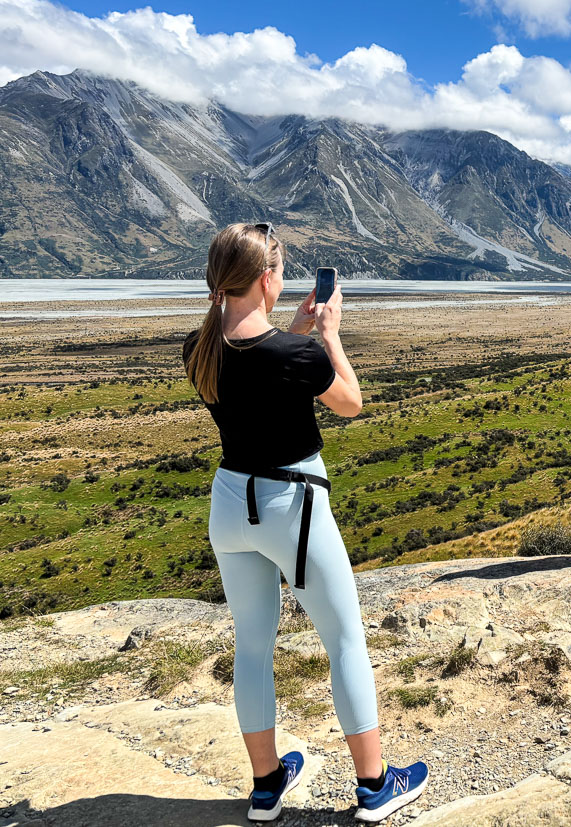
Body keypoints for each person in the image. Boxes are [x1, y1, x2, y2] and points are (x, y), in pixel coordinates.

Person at [181, 223, 427, 823]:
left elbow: (255, 366)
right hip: (293, 506)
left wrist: (290, 328)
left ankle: (266, 786)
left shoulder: (199, 347)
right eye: (281, 271)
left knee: (252, 644)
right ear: (267, 279)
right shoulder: (298, 355)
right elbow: (351, 402)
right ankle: (374, 785)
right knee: (344, 639)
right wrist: (329, 335)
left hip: (230, 502)